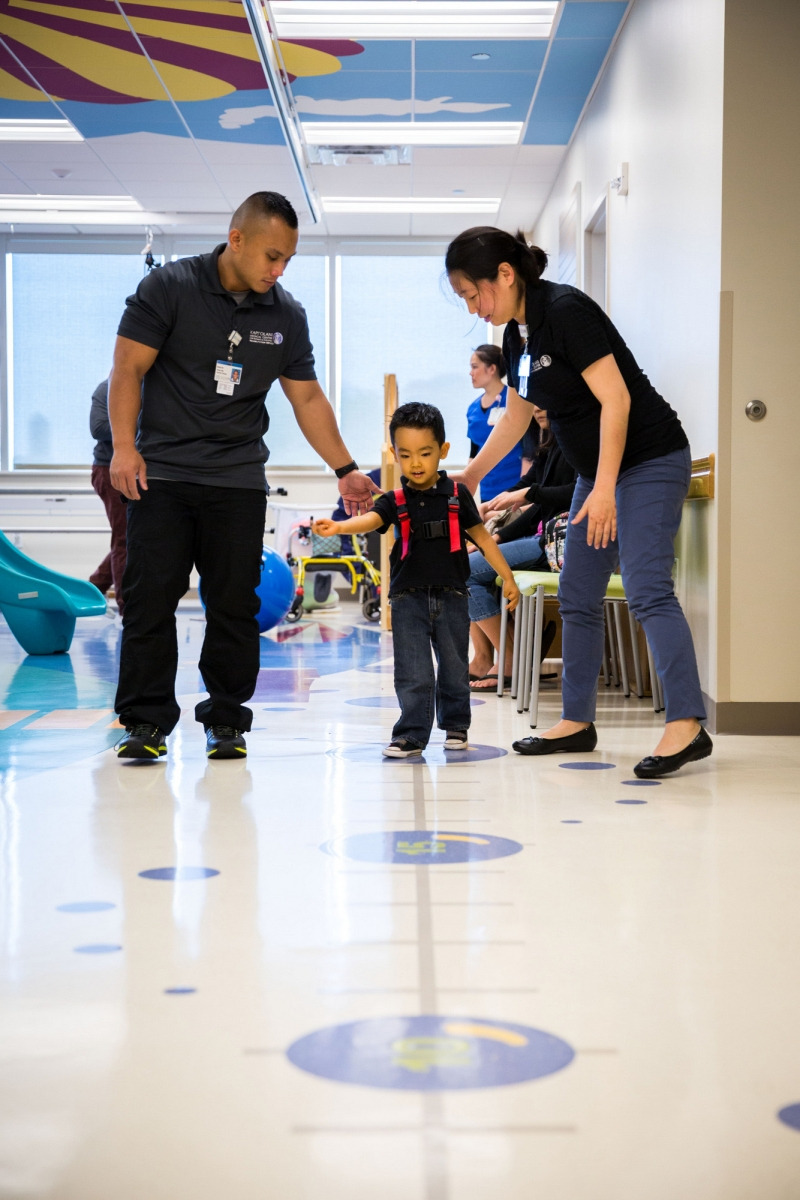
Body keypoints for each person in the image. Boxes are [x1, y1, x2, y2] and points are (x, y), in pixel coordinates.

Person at [109, 190, 378, 762]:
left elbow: (306, 398)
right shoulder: (170, 288)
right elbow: (127, 369)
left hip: (235, 480)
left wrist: (347, 470)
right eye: (271, 257)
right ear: (237, 240)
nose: (278, 271)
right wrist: (125, 448)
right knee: (150, 598)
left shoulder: (285, 315)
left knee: (234, 604)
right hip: (164, 476)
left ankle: (226, 721)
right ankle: (146, 723)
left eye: (287, 261)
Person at [446, 226, 712, 779]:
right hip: (600, 472)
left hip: (648, 458)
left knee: (646, 588)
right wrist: (470, 476)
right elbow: (518, 415)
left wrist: (607, 488)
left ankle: (688, 722)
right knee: (578, 592)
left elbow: (615, 399)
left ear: (505, 273)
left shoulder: (566, 311)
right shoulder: (519, 336)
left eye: (474, 294)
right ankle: (576, 721)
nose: (474, 308)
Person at [312, 401, 520, 758]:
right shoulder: (394, 499)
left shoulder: (457, 495)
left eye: (425, 453)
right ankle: (410, 734)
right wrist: (340, 526)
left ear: (443, 451)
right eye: (406, 455)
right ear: (395, 455)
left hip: (452, 596)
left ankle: (456, 726)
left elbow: (483, 538)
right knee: (413, 672)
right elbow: (371, 521)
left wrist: (509, 579)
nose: (416, 463)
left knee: (455, 669)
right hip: (407, 599)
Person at [468, 405, 577, 690]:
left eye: (545, 400)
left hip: (558, 544)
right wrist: (498, 508)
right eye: (534, 402)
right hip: (545, 538)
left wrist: (497, 538)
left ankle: (509, 657)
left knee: (465, 569)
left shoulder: (578, 442)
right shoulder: (552, 442)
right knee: (462, 560)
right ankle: (492, 656)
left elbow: (558, 497)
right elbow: (532, 489)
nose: (538, 407)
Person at [88, 376, 128, 616]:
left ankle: (92, 588)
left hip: (137, 471)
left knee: (131, 536)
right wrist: (139, 424)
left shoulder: (153, 389)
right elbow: (98, 428)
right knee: (125, 538)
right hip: (110, 470)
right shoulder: (107, 388)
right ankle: (128, 608)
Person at [466, 344, 524, 502]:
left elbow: (529, 447)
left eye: (475, 367)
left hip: (513, 486)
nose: (470, 373)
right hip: (487, 489)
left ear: (492, 369)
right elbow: (474, 450)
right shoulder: (472, 409)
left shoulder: (514, 400)